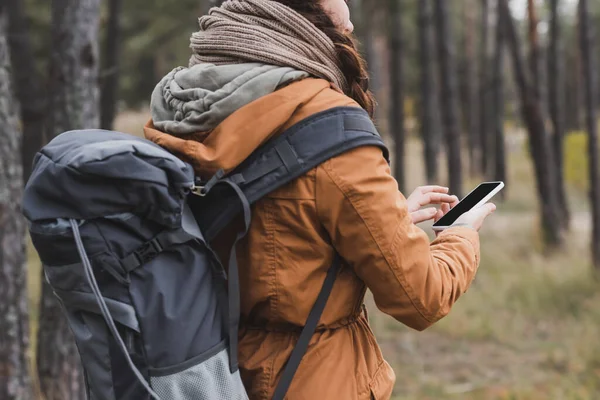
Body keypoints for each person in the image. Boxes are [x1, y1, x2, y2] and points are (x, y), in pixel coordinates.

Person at [144, 0, 497, 398]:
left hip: (205, 375)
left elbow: (269, 230)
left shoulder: (183, 106)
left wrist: (387, 217)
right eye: (343, 19)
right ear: (309, 20)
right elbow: (421, 296)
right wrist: (461, 234)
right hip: (313, 380)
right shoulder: (329, 124)